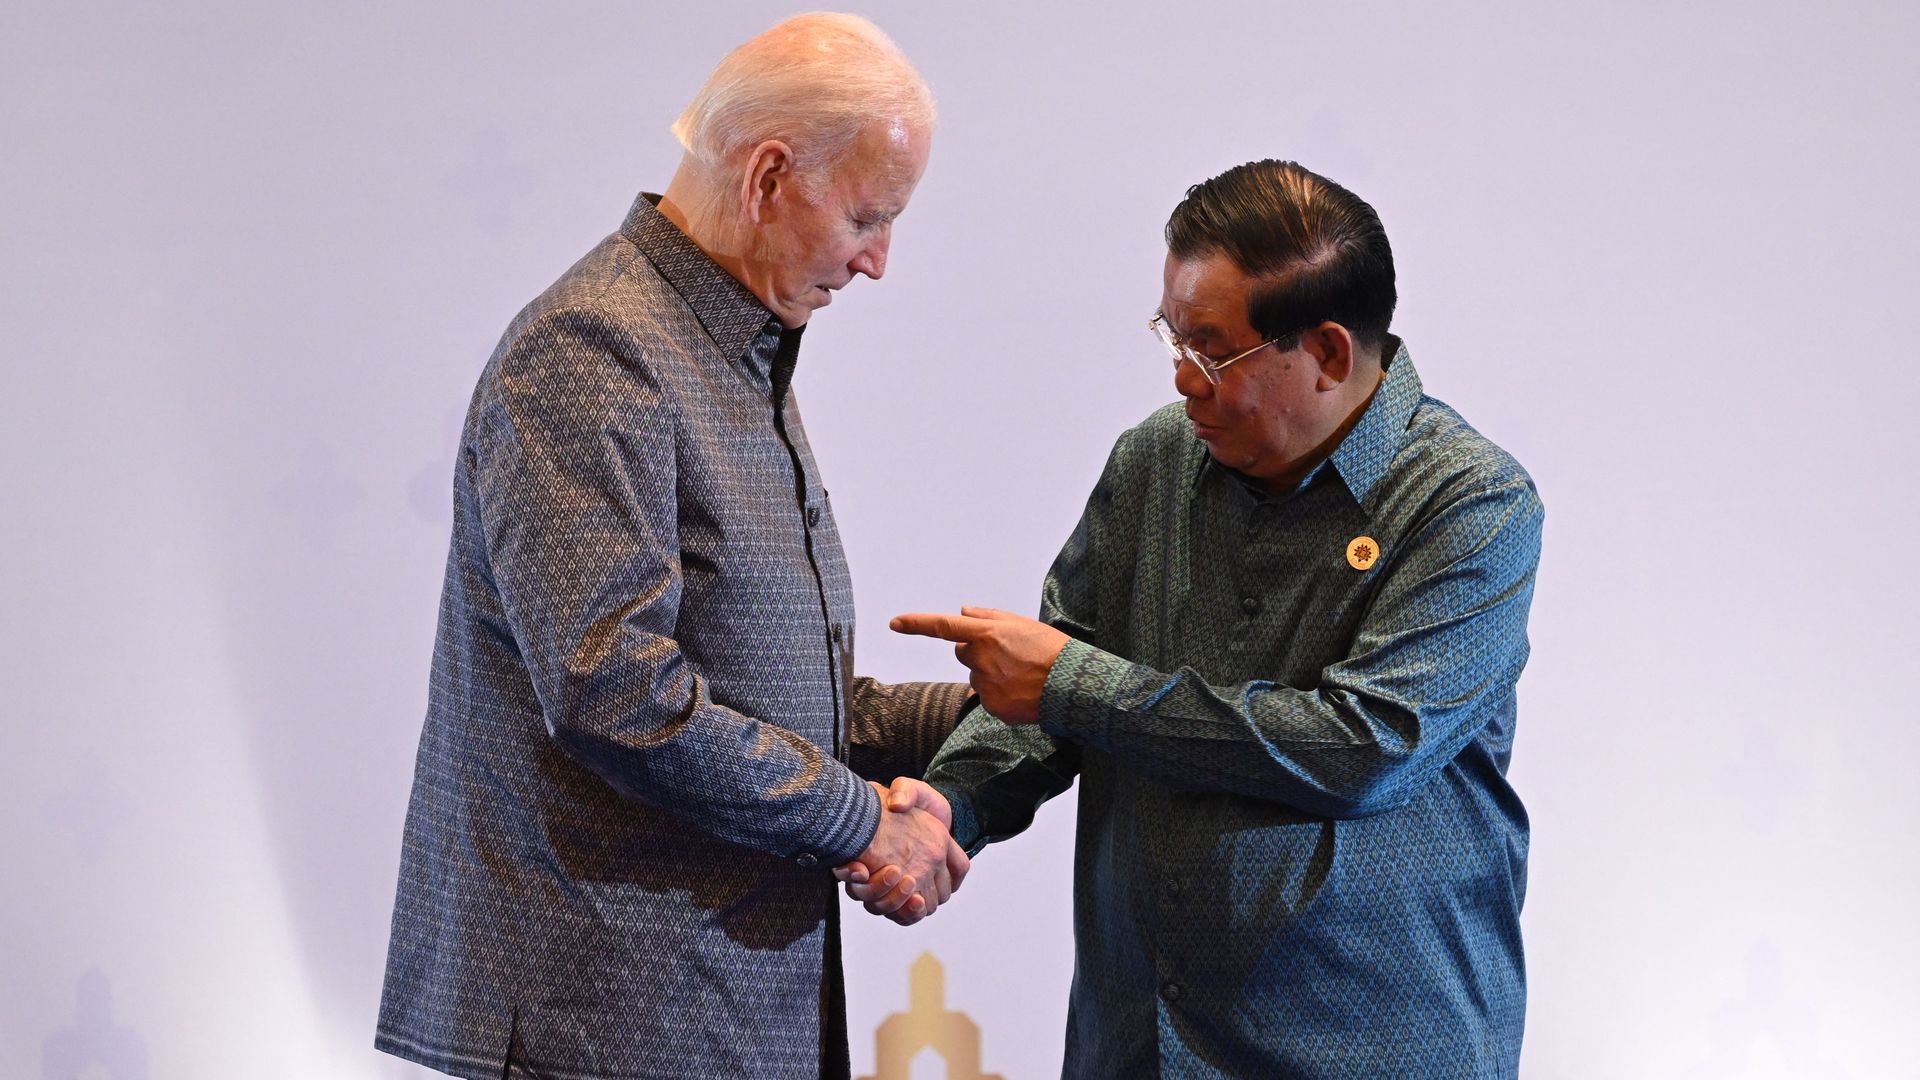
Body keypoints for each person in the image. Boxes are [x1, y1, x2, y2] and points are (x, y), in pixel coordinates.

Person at [376, 14, 970, 1080]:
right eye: (870, 216)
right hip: (607, 1023)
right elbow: (614, 690)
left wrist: (1016, 705)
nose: (879, 261)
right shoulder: (595, 349)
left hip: (706, 1012)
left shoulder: (726, 349)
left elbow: (776, 702)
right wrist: (859, 822)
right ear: (769, 177)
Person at [857, 160, 1544, 1076]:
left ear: (1331, 354)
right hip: (1137, 1041)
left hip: (1364, 1044)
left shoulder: (1471, 505)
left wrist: (1073, 684)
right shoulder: (1152, 463)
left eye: (1213, 352)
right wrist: (952, 805)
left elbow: (1362, 746)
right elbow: (1046, 702)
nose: (1184, 380)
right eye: (1172, 340)